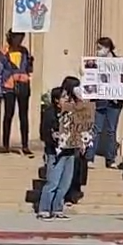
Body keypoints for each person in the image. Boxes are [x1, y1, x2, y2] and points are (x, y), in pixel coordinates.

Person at [37, 77, 83, 221]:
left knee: (65, 183)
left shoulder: (71, 112)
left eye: (67, 96)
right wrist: (55, 137)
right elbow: (44, 133)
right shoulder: (50, 113)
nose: (67, 99)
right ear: (56, 100)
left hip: (70, 151)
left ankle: (57, 208)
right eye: (64, 97)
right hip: (55, 153)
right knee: (53, 182)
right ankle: (44, 209)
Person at [86, 37, 123, 168]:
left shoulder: (119, 63)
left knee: (111, 130)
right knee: (96, 129)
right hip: (101, 101)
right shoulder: (95, 63)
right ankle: (89, 157)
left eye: (99, 48)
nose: (98, 51)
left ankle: (110, 159)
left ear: (107, 48)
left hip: (114, 102)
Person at [0, 29, 33, 156]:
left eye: (21, 37)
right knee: (8, 115)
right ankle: (5, 144)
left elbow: (28, 70)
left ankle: (25, 145)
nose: (20, 40)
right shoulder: (3, 52)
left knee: (24, 116)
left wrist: (30, 63)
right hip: (9, 86)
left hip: (23, 85)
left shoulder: (24, 51)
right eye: (17, 37)